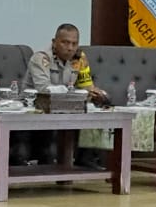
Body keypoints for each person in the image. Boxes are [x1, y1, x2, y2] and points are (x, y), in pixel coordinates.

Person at [26, 23, 108, 168]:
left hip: (65, 108)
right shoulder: (41, 57)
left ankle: (86, 161)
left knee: (96, 113)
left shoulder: (80, 58)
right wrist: (74, 92)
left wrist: (96, 93)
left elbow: (86, 86)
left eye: (74, 43)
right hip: (36, 107)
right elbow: (43, 89)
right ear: (54, 42)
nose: (70, 48)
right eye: (65, 42)